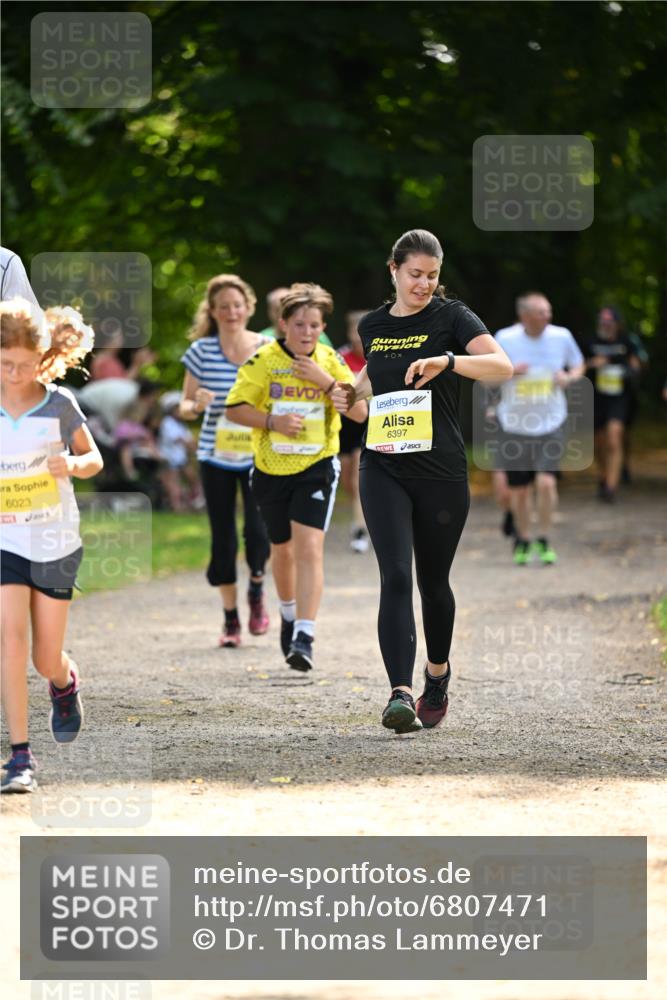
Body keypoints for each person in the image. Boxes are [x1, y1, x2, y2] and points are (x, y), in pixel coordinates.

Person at [332, 230, 513, 734]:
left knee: (433, 583)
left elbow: (502, 366)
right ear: (393, 270)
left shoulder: (452, 317)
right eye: (415, 275)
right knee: (394, 576)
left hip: (440, 471)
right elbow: (374, 376)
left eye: (432, 276)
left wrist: (448, 361)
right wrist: (351, 395)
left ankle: (437, 674)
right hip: (383, 464)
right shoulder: (372, 324)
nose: (424, 284)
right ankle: (400, 693)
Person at [225, 282, 367, 671]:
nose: (307, 332)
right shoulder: (263, 361)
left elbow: (360, 413)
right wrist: (272, 421)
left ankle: (305, 634)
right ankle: (288, 614)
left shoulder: (330, 360)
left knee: (310, 548)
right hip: (270, 468)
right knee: (282, 551)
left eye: (315, 325)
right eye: (300, 324)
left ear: (323, 328)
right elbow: (234, 409)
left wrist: (323, 380)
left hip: (317, 466)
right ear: (284, 323)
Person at [1, 299, 102, 793]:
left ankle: (63, 681)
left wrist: (74, 466)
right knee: (10, 641)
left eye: (24, 363)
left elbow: (95, 458)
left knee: (45, 657)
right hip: (6, 538)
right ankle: (20, 756)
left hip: (56, 538)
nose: (15, 374)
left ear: (41, 357)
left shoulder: (59, 403)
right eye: (5, 364)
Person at [179, 275, 271, 647]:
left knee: (258, 533)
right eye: (224, 307)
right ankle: (231, 619)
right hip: (214, 456)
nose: (231, 312)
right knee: (224, 538)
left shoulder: (267, 348)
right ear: (213, 312)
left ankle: (257, 591)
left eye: (237, 305)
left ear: (248, 308)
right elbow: (184, 406)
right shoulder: (201, 351)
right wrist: (195, 405)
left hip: (257, 454)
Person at [495, 292, 585, 566]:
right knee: (520, 491)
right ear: (524, 316)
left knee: (546, 483)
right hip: (514, 424)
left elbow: (579, 364)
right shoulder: (505, 338)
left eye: (548, 311)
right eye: (540, 312)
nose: (547, 316)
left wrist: (568, 377)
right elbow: (487, 376)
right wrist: (510, 372)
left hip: (551, 421)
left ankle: (544, 538)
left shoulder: (562, 336)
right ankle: (523, 538)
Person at [585, 306, 643, 501]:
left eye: (609, 323)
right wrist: (594, 363)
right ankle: (603, 475)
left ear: (617, 324)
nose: (605, 326)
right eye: (602, 322)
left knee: (614, 436)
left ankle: (611, 487)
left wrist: (628, 371)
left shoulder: (627, 340)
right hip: (597, 397)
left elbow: (639, 363)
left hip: (620, 397)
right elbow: (578, 365)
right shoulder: (591, 340)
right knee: (599, 442)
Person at [339, 310, 370, 552]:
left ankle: (360, 528)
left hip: (370, 420)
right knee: (347, 477)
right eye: (356, 333)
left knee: (359, 475)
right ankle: (361, 511)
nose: (360, 339)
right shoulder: (341, 357)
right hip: (345, 423)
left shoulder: (380, 355)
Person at [158, 391, 200, 511]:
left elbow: (190, 440)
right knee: (174, 482)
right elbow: (180, 440)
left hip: (180, 458)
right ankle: (176, 506)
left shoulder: (181, 425)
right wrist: (194, 448)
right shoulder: (167, 423)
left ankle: (192, 500)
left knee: (192, 477)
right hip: (170, 458)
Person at [259, 286, 333, 346]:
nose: (307, 333)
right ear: (269, 311)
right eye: (277, 309)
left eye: (287, 309)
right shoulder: (261, 338)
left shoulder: (318, 336)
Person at [89, 324, 156, 381]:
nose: (122, 340)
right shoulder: (105, 361)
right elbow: (119, 386)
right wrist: (136, 364)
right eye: (118, 337)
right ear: (108, 341)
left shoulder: (107, 359)